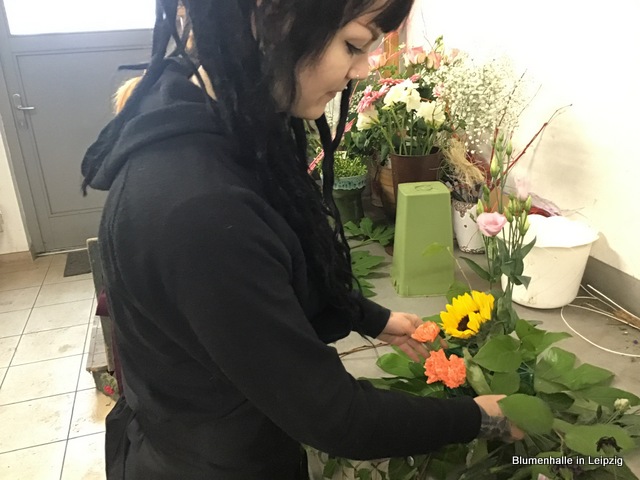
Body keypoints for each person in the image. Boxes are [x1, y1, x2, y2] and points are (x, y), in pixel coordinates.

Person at [81, 0, 522, 478]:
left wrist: (368, 317)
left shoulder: (218, 114)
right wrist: (481, 417)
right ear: (271, 18)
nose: (363, 70)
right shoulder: (202, 211)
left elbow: (271, 273)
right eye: (353, 45)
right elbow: (336, 417)